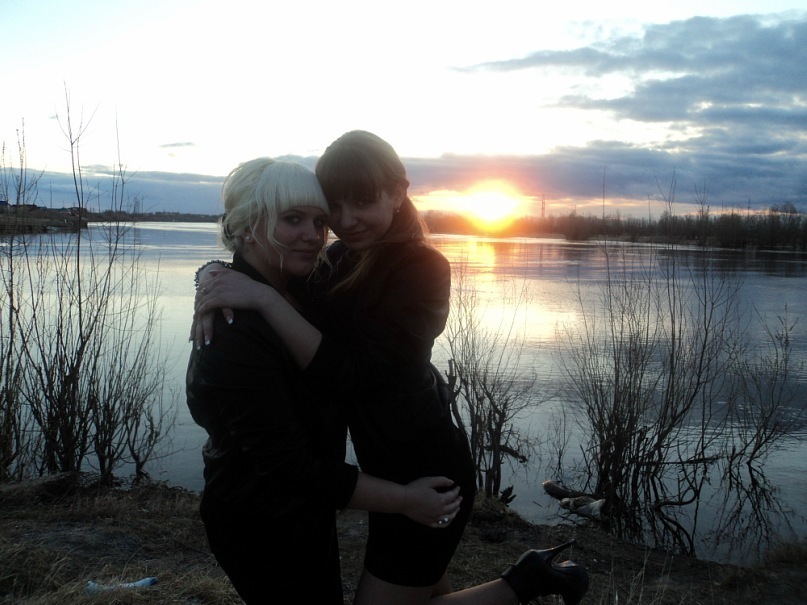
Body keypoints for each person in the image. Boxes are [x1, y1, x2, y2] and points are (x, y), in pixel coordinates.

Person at [194, 133, 589, 605]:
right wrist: (214, 274)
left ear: (399, 192)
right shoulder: (334, 263)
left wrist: (260, 296)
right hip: (385, 476)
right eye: (334, 207)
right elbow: (268, 274)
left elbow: (354, 375)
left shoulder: (421, 268)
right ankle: (537, 576)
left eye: (361, 202)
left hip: (428, 474)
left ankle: (528, 580)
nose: (343, 221)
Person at [185, 157, 465, 605]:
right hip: (262, 521)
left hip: (321, 506)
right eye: (294, 219)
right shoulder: (234, 329)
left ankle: (528, 580)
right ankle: (525, 583)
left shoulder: (303, 289)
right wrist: (402, 499)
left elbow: (360, 366)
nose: (315, 235)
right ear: (248, 225)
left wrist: (236, 282)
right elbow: (291, 468)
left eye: (319, 221)